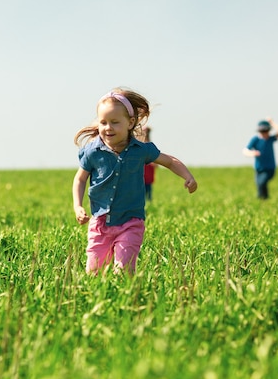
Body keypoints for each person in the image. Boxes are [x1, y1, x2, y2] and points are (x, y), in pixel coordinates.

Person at [72, 88, 198, 275]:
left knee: (123, 272)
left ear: (130, 122)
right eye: (103, 122)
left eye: (115, 122)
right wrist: (78, 206)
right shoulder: (92, 152)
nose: (108, 127)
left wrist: (188, 177)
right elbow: (80, 179)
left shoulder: (140, 150)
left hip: (130, 223)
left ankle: (128, 300)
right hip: (100, 223)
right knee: (94, 273)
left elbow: (169, 161)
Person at [243, 118, 278, 199]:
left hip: (270, 168)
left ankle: (262, 198)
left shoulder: (270, 139)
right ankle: (264, 199)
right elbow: (245, 150)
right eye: (262, 131)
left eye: (266, 131)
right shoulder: (255, 139)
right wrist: (252, 153)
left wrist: (272, 123)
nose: (264, 133)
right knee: (259, 184)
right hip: (259, 168)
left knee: (262, 182)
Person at [142, 126, 156, 202]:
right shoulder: (142, 147)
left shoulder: (148, 146)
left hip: (147, 178)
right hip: (142, 178)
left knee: (148, 196)